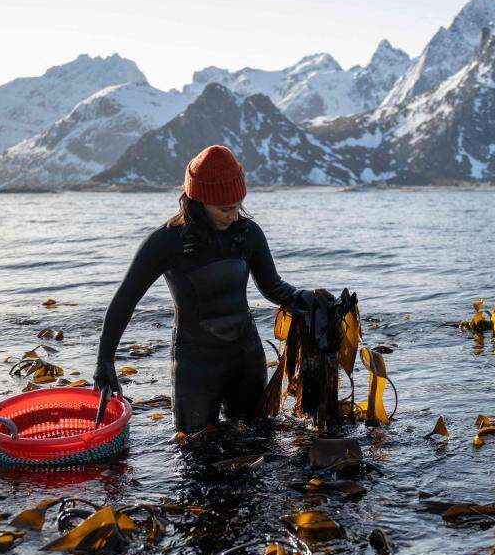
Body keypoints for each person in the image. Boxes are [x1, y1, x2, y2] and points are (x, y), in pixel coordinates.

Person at [94, 144, 330, 430]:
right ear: (198, 200)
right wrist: (105, 360)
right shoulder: (166, 242)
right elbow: (125, 300)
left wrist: (301, 298)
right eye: (225, 209)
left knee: (257, 444)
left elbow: (273, 287)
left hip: (246, 358)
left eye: (238, 206)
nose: (234, 216)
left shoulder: (248, 234)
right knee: (193, 455)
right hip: (196, 365)